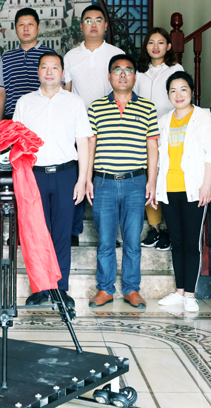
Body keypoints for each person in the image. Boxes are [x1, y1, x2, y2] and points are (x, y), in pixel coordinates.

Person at [13, 52, 92, 309]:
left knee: (61, 233)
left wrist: (82, 179)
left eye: (54, 67)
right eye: (44, 67)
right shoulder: (25, 102)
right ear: (38, 72)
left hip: (66, 174)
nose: (49, 72)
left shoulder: (74, 102)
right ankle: (40, 288)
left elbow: (83, 142)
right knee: (36, 234)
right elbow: (17, 143)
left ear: (62, 73)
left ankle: (60, 288)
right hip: (34, 175)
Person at [86, 54, 158, 310]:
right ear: (109, 76)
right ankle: (105, 289)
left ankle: (131, 289)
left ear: (135, 77)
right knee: (105, 241)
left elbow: (152, 146)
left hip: (135, 182)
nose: (123, 74)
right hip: (104, 182)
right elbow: (90, 145)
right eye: (117, 70)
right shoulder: (96, 107)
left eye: (128, 70)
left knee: (132, 240)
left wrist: (152, 180)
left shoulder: (147, 108)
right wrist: (87, 179)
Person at [156, 72, 211, 313]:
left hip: (194, 189)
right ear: (168, 95)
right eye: (173, 90)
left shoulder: (204, 117)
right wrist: (155, 187)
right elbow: (159, 158)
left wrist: (206, 184)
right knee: (176, 241)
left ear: (192, 92)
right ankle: (179, 292)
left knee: (191, 242)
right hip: (169, 188)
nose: (178, 95)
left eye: (183, 89)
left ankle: (190, 295)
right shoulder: (164, 121)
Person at [63, 5, 124, 247]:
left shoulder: (116, 54)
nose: (93, 24)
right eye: (88, 20)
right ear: (81, 26)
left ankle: (108, 235)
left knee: (105, 181)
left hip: (109, 125)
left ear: (105, 25)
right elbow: (66, 93)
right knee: (76, 177)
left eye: (98, 20)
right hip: (78, 128)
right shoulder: (70, 56)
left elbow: (124, 90)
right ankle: (73, 230)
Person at [134, 27, 184, 251]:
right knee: (149, 178)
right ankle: (154, 229)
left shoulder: (175, 69)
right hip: (143, 132)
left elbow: (181, 98)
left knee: (166, 177)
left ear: (168, 46)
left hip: (168, 132)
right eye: (151, 42)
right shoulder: (139, 72)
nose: (156, 46)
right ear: (146, 46)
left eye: (161, 42)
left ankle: (167, 229)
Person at [0, 8, 55, 120]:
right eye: (21, 25)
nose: (26, 29)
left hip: (44, 118)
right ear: (16, 29)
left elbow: (58, 88)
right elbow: (1, 92)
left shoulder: (51, 56)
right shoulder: (7, 58)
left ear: (38, 27)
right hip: (13, 119)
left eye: (30, 24)